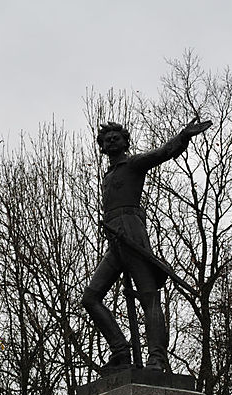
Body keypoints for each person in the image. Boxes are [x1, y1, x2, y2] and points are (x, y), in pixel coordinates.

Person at [82, 117, 212, 373]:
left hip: (131, 234)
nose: (110, 140)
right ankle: (120, 351)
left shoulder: (133, 164)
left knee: (148, 297)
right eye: (106, 138)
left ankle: (157, 357)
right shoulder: (108, 176)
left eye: (116, 137)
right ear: (101, 146)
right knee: (91, 298)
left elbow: (162, 153)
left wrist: (183, 136)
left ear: (125, 142)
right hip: (114, 238)